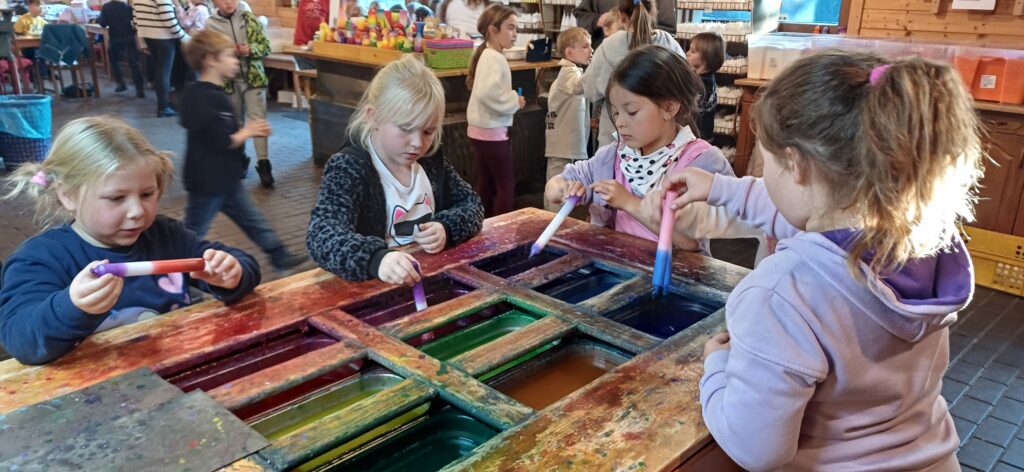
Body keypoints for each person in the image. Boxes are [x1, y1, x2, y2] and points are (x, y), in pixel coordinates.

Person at [666, 51, 983, 470]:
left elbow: (757, 449)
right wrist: (719, 188)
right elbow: (804, 211)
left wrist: (717, 366)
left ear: (796, 164)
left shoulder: (782, 293)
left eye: (766, 162)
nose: (762, 175)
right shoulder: (925, 249)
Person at [0, 117, 261, 366]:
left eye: (147, 194)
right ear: (67, 195)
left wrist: (232, 274)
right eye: (116, 198)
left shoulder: (167, 236)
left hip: (178, 369)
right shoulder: (40, 259)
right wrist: (69, 306)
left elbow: (243, 264)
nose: (137, 211)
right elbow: (19, 339)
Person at [307, 55, 484, 286]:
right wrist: (376, 259)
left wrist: (447, 227)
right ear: (374, 116)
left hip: (428, 282)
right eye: (406, 128)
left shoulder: (429, 161)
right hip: (373, 290)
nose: (417, 143)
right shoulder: (349, 167)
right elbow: (321, 235)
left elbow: (472, 204)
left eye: (428, 132)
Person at [545, 45, 733, 254]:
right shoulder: (613, 156)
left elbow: (689, 242)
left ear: (669, 108)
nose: (620, 123)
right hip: (620, 265)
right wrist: (563, 189)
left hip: (674, 271)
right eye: (616, 113)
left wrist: (629, 203)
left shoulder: (701, 162)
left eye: (632, 112)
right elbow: (555, 186)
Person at [179, 30, 306, 273]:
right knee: (193, 231)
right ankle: (177, 270)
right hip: (207, 181)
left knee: (253, 219)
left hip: (225, 178)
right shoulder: (204, 98)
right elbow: (218, 141)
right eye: (229, 56)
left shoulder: (210, 95)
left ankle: (278, 254)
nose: (235, 61)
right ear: (211, 60)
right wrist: (248, 131)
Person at [582, 0, 683, 148]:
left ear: (621, 16)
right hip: (660, 138)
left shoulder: (610, 46)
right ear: (653, 13)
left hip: (616, 136)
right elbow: (685, 85)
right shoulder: (668, 42)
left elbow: (590, 90)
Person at [207, 0, 276, 188]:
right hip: (228, 82)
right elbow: (209, 55)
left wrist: (251, 49)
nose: (228, 2)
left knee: (258, 121)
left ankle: (264, 164)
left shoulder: (250, 19)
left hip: (254, 79)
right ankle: (240, 158)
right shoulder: (210, 25)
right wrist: (230, 52)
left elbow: (266, 46)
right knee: (234, 123)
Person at [466, 4, 525, 217]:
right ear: (493, 30)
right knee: (506, 185)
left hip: (480, 130)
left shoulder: (488, 55)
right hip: (491, 131)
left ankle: (476, 223)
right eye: (510, 27)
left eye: (516, 28)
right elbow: (488, 93)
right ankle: (502, 230)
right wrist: (514, 100)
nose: (515, 34)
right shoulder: (494, 58)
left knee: (486, 182)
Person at [544, 27, 592, 200]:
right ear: (569, 52)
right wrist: (598, 66)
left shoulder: (573, 71)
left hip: (565, 144)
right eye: (585, 46)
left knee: (563, 185)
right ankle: (550, 215)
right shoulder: (568, 72)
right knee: (557, 186)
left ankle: (558, 214)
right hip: (562, 145)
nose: (591, 50)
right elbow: (579, 86)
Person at [135, 0, 186, 117]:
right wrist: (184, 37)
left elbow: (136, 18)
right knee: (164, 71)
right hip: (163, 36)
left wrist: (142, 40)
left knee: (160, 70)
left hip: (148, 35)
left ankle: (163, 104)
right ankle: (163, 107)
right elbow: (168, 18)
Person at [573, 0, 672, 48]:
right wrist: (597, 20)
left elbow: (668, 27)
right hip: (604, 56)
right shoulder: (604, 52)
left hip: (648, 59)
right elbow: (581, 16)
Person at [98, 0, 146, 98]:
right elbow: (135, 21)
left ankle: (121, 84)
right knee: (134, 63)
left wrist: (99, 19)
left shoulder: (106, 7)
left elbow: (103, 23)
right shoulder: (127, 7)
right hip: (128, 37)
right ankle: (140, 89)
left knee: (114, 61)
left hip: (115, 37)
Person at [686, 32, 725, 142]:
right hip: (707, 135)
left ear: (706, 57)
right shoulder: (709, 77)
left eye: (693, 51)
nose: (687, 53)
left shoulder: (697, 83)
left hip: (695, 137)